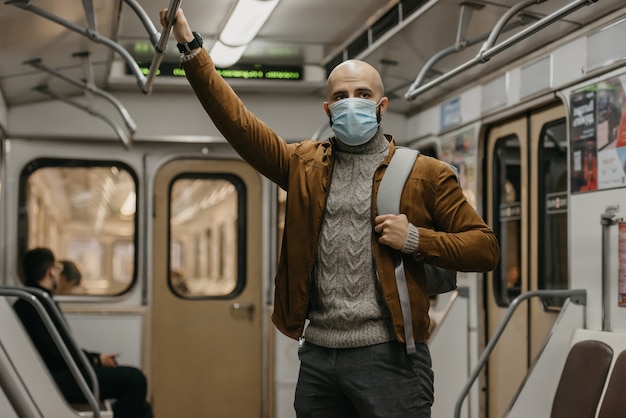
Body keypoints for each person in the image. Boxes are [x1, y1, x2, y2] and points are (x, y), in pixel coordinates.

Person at [161, 9, 500, 417]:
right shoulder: (304, 166)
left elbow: (485, 248)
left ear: (382, 105)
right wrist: (191, 47)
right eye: (340, 97)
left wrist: (415, 239)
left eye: (362, 95)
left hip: (391, 358)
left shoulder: (425, 174)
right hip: (320, 358)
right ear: (327, 110)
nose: (351, 104)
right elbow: (238, 125)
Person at [13, 248, 153, 418]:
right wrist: (95, 360)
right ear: (50, 271)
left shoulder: (35, 301)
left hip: (61, 371)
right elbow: (56, 354)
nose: (58, 272)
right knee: (135, 381)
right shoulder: (35, 304)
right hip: (57, 378)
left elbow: (63, 348)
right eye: (57, 268)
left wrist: (96, 357)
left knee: (142, 406)